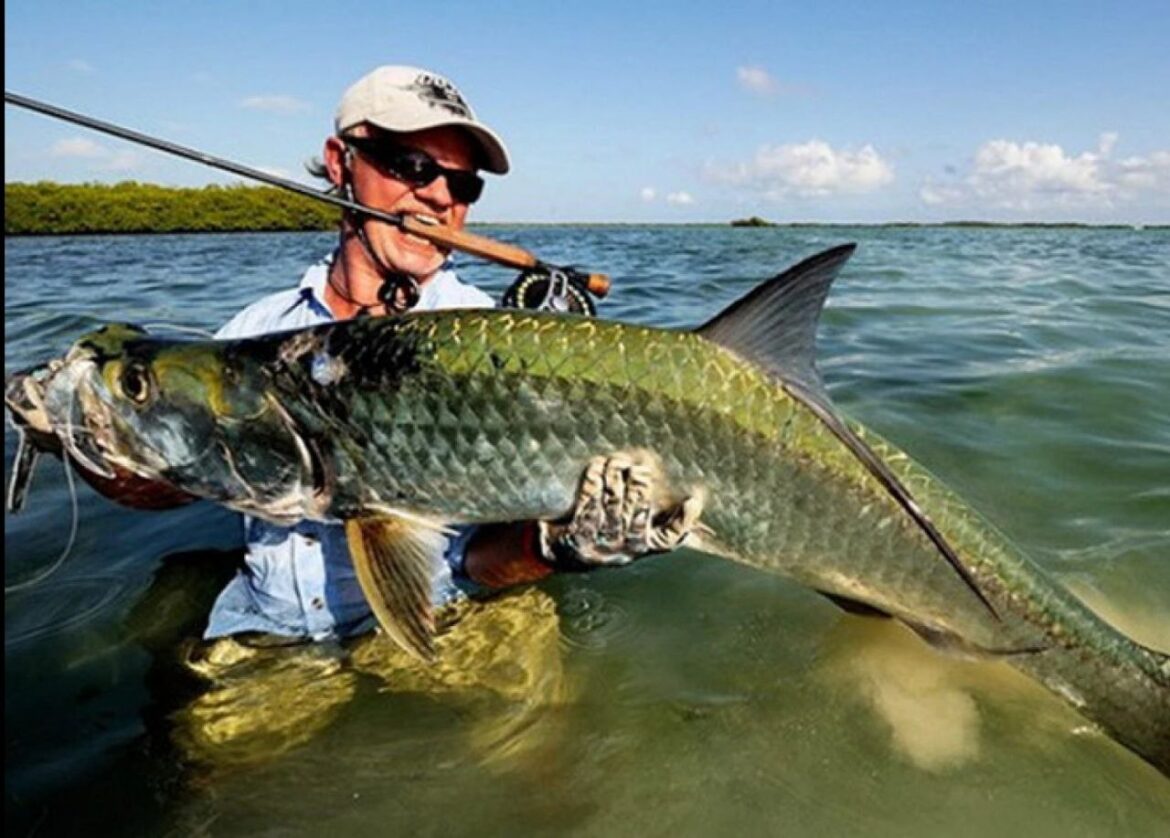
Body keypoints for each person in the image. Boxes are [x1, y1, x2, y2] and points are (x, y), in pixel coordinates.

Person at [202, 66, 692, 647]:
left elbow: (482, 565)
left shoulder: (498, 347)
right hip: (266, 631)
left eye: (465, 186)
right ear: (341, 162)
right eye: (414, 167)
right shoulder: (250, 337)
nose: (439, 196)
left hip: (457, 621)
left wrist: (556, 547)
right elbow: (161, 471)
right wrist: (89, 432)